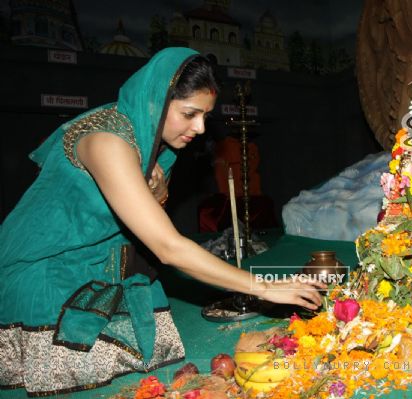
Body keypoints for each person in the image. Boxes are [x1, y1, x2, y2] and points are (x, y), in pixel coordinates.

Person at [0, 48, 324, 396]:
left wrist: (157, 190)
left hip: (92, 263)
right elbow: (167, 246)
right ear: (157, 101)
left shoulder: (148, 139)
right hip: (41, 270)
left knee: (153, 344)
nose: (200, 128)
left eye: (205, 116)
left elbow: (147, 215)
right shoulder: (109, 143)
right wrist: (265, 286)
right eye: (190, 114)